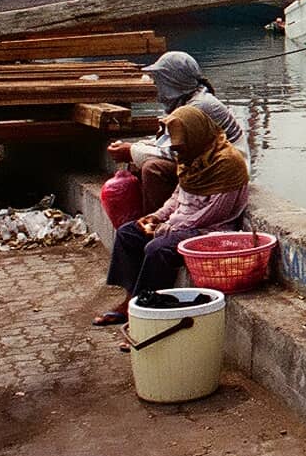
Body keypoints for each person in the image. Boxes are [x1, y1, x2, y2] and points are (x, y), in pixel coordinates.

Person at [93, 105, 250, 327]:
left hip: (210, 231)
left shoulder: (228, 164)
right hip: (181, 224)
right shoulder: (191, 158)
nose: (178, 153)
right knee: (128, 233)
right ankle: (131, 299)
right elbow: (177, 197)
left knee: (158, 249)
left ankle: (149, 311)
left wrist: (166, 227)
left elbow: (212, 214)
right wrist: (156, 217)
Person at [107, 52, 245, 214]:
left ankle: (156, 225)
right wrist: (136, 148)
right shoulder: (187, 101)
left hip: (222, 170)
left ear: (171, 82)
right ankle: (149, 221)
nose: (157, 89)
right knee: (142, 164)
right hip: (206, 163)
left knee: (153, 169)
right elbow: (165, 141)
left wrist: (131, 151)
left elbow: (176, 151)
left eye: (160, 82)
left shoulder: (198, 107)